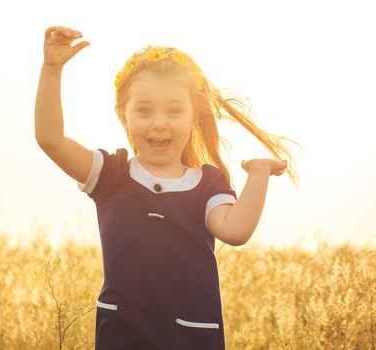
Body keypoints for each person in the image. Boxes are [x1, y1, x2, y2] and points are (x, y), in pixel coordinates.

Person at [35, 25, 300, 350]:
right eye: (144, 110)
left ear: (192, 118)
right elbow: (51, 140)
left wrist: (258, 175)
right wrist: (52, 68)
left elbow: (236, 229)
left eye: (174, 111)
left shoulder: (207, 185)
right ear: (124, 115)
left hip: (191, 339)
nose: (159, 123)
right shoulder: (109, 175)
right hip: (122, 339)